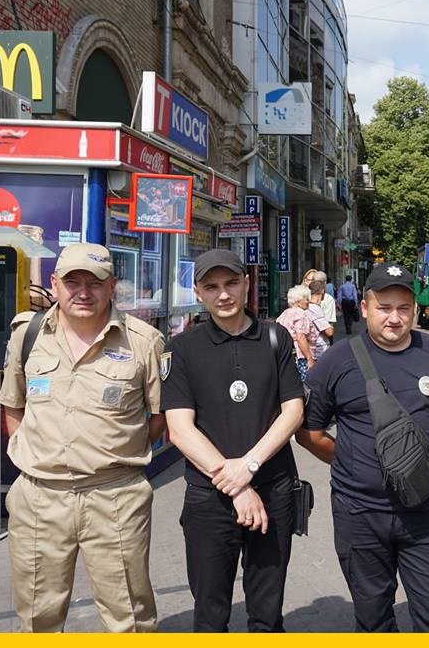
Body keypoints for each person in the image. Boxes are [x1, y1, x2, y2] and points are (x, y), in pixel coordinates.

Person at [0, 242, 165, 632]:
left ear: (112, 287)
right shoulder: (27, 335)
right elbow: (13, 406)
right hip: (40, 498)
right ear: (55, 284)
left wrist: (116, 452)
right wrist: (37, 457)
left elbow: (159, 419)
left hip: (116, 498)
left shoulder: (144, 343)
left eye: (95, 282)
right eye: (73, 282)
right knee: (38, 615)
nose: (83, 292)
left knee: (130, 618)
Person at [296, 262, 429, 632]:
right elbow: (309, 433)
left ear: (415, 310)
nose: (394, 318)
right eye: (384, 307)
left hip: (427, 513)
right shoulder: (335, 363)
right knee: (373, 619)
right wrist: (350, 460)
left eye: (403, 308)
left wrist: (422, 460)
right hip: (359, 514)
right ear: (364, 308)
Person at [161, 249, 306, 632]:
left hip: (273, 490)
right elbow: (179, 428)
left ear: (246, 284)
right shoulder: (182, 349)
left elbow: (293, 411)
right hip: (209, 499)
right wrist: (236, 483)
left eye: (230, 284)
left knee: (267, 608)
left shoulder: (277, 338)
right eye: (211, 286)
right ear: (198, 291)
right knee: (209, 610)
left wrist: (250, 466)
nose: (222, 294)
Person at [276, 285, 318, 380]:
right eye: (306, 299)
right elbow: (300, 337)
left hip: (286, 354)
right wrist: (309, 359)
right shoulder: (300, 314)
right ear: (298, 302)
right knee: (306, 386)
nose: (309, 302)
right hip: (301, 356)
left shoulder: (285, 313)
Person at [308, 279, 335, 357]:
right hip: (319, 351)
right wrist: (330, 326)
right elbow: (329, 332)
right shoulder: (314, 308)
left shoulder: (308, 306)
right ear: (323, 291)